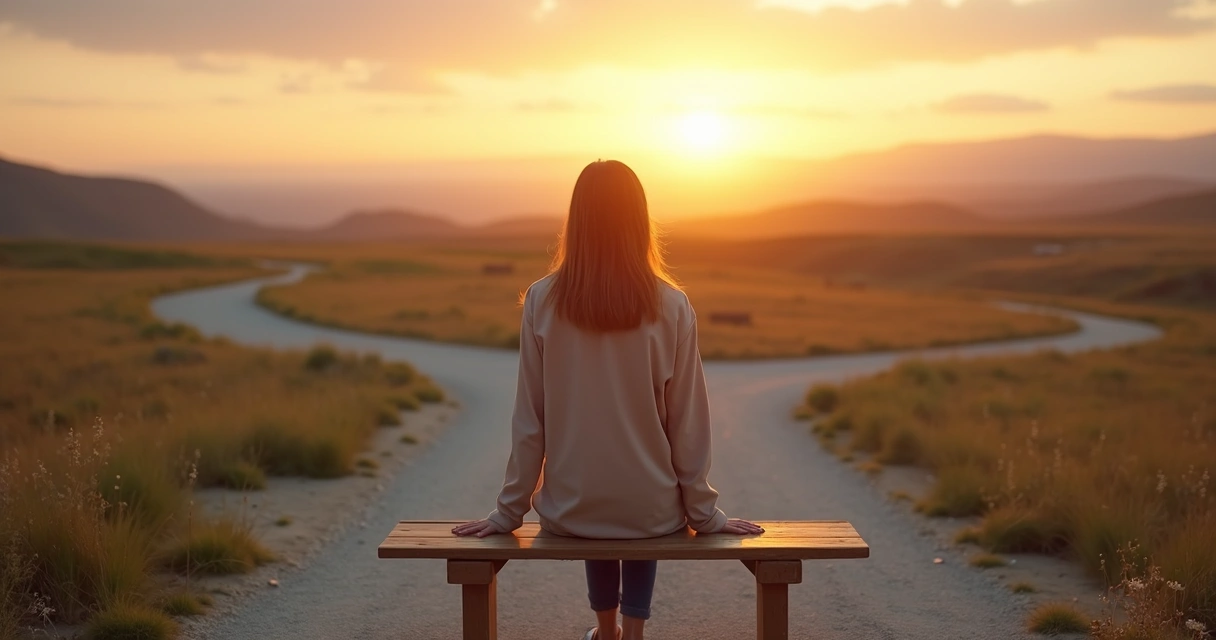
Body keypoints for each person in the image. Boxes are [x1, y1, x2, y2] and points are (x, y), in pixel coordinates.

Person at [452, 160, 763, 640]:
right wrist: (706, 515)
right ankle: (633, 633)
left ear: (576, 220)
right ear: (639, 221)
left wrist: (507, 513)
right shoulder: (673, 305)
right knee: (639, 503)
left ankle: (606, 631)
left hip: (571, 513)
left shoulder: (541, 300)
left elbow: (529, 422)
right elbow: (689, 425)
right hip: (653, 513)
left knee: (596, 490)